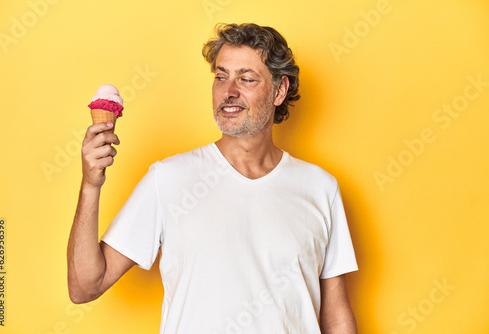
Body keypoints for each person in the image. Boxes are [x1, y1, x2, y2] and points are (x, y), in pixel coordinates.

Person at [67, 23, 359, 333]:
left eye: (245, 79)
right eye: (221, 77)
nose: (228, 91)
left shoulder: (319, 188)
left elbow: (336, 314)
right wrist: (90, 185)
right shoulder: (169, 178)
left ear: (279, 90)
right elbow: (85, 285)